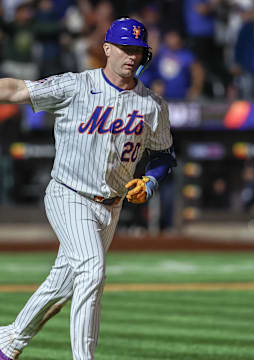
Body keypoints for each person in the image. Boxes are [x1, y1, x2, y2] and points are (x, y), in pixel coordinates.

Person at [0, 17, 176, 360]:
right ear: (106, 49)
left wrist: (151, 181)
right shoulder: (75, 86)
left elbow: (164, 156)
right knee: (92, 270)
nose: (131, 56)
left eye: (138, 51)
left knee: (61, 285)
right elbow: (17, 90)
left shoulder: (152, 105)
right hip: (68, 194)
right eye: (125, 48)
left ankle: (9, 342)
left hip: (110, 206)